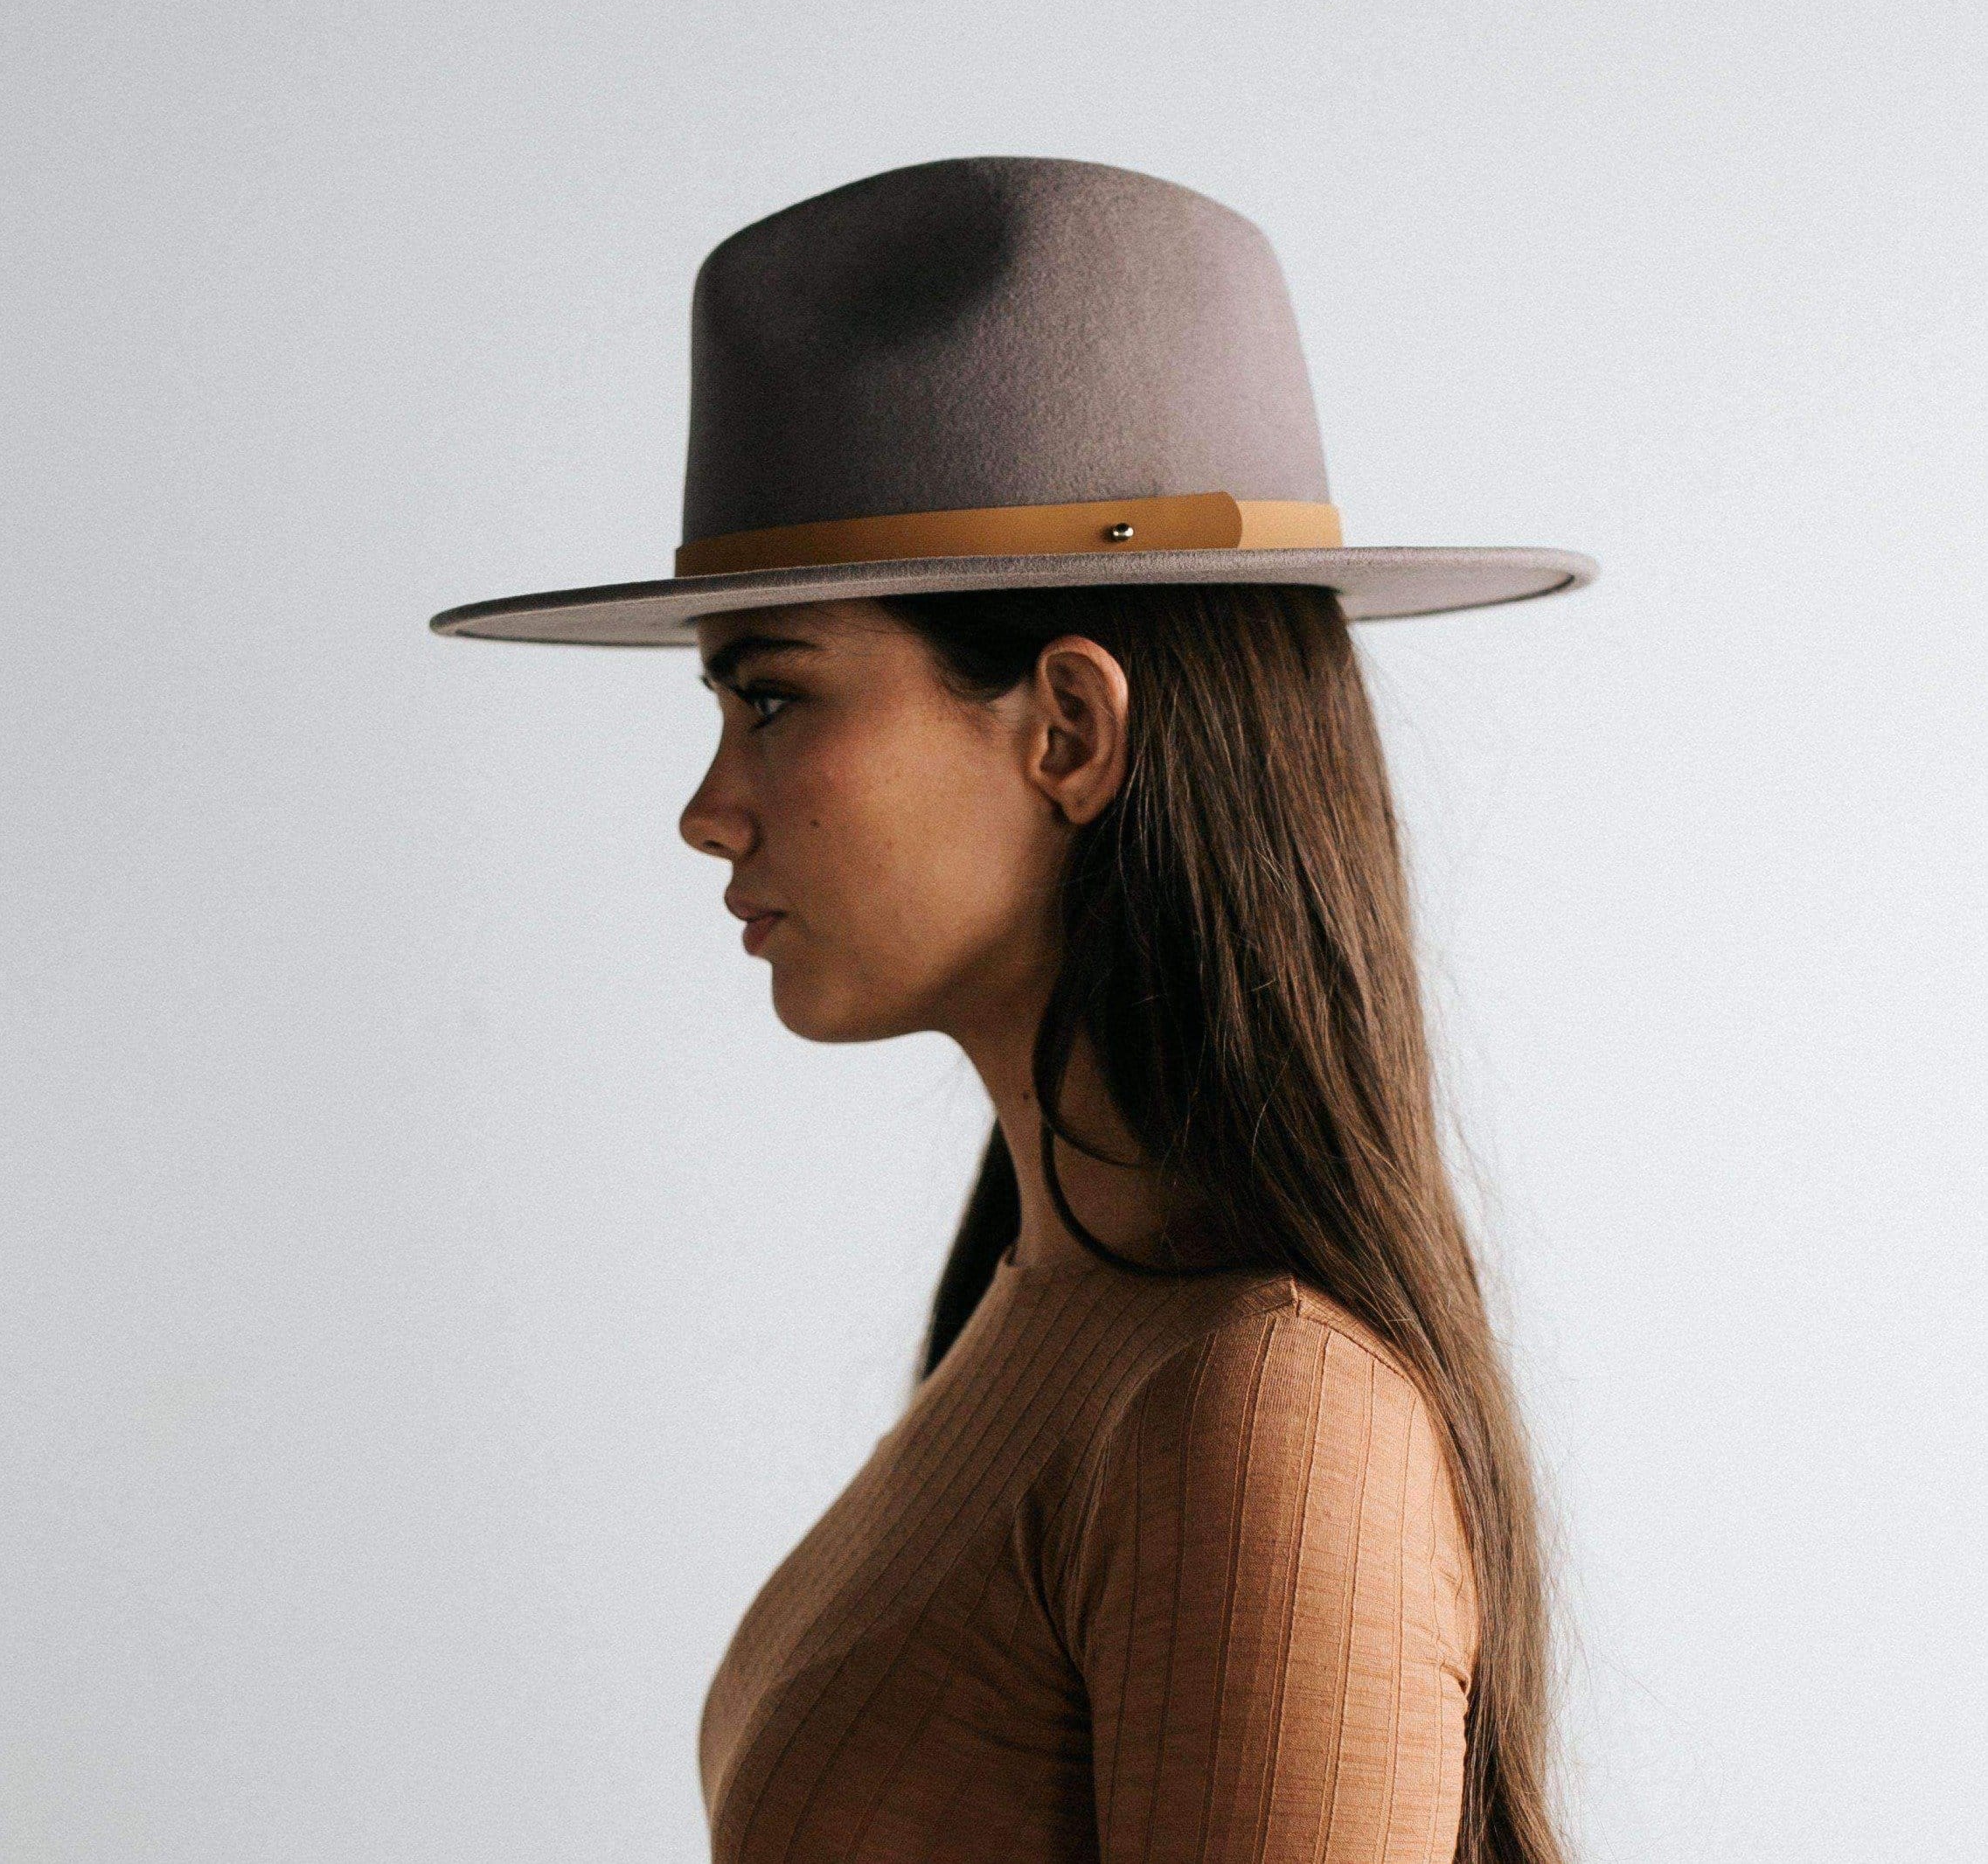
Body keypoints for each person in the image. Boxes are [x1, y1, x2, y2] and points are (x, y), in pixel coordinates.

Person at [430, 156, 1595, 1864]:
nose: (707, 805)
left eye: (772, 694)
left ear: (1065, 728)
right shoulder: (1052, 1309)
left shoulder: (1258, 1410)